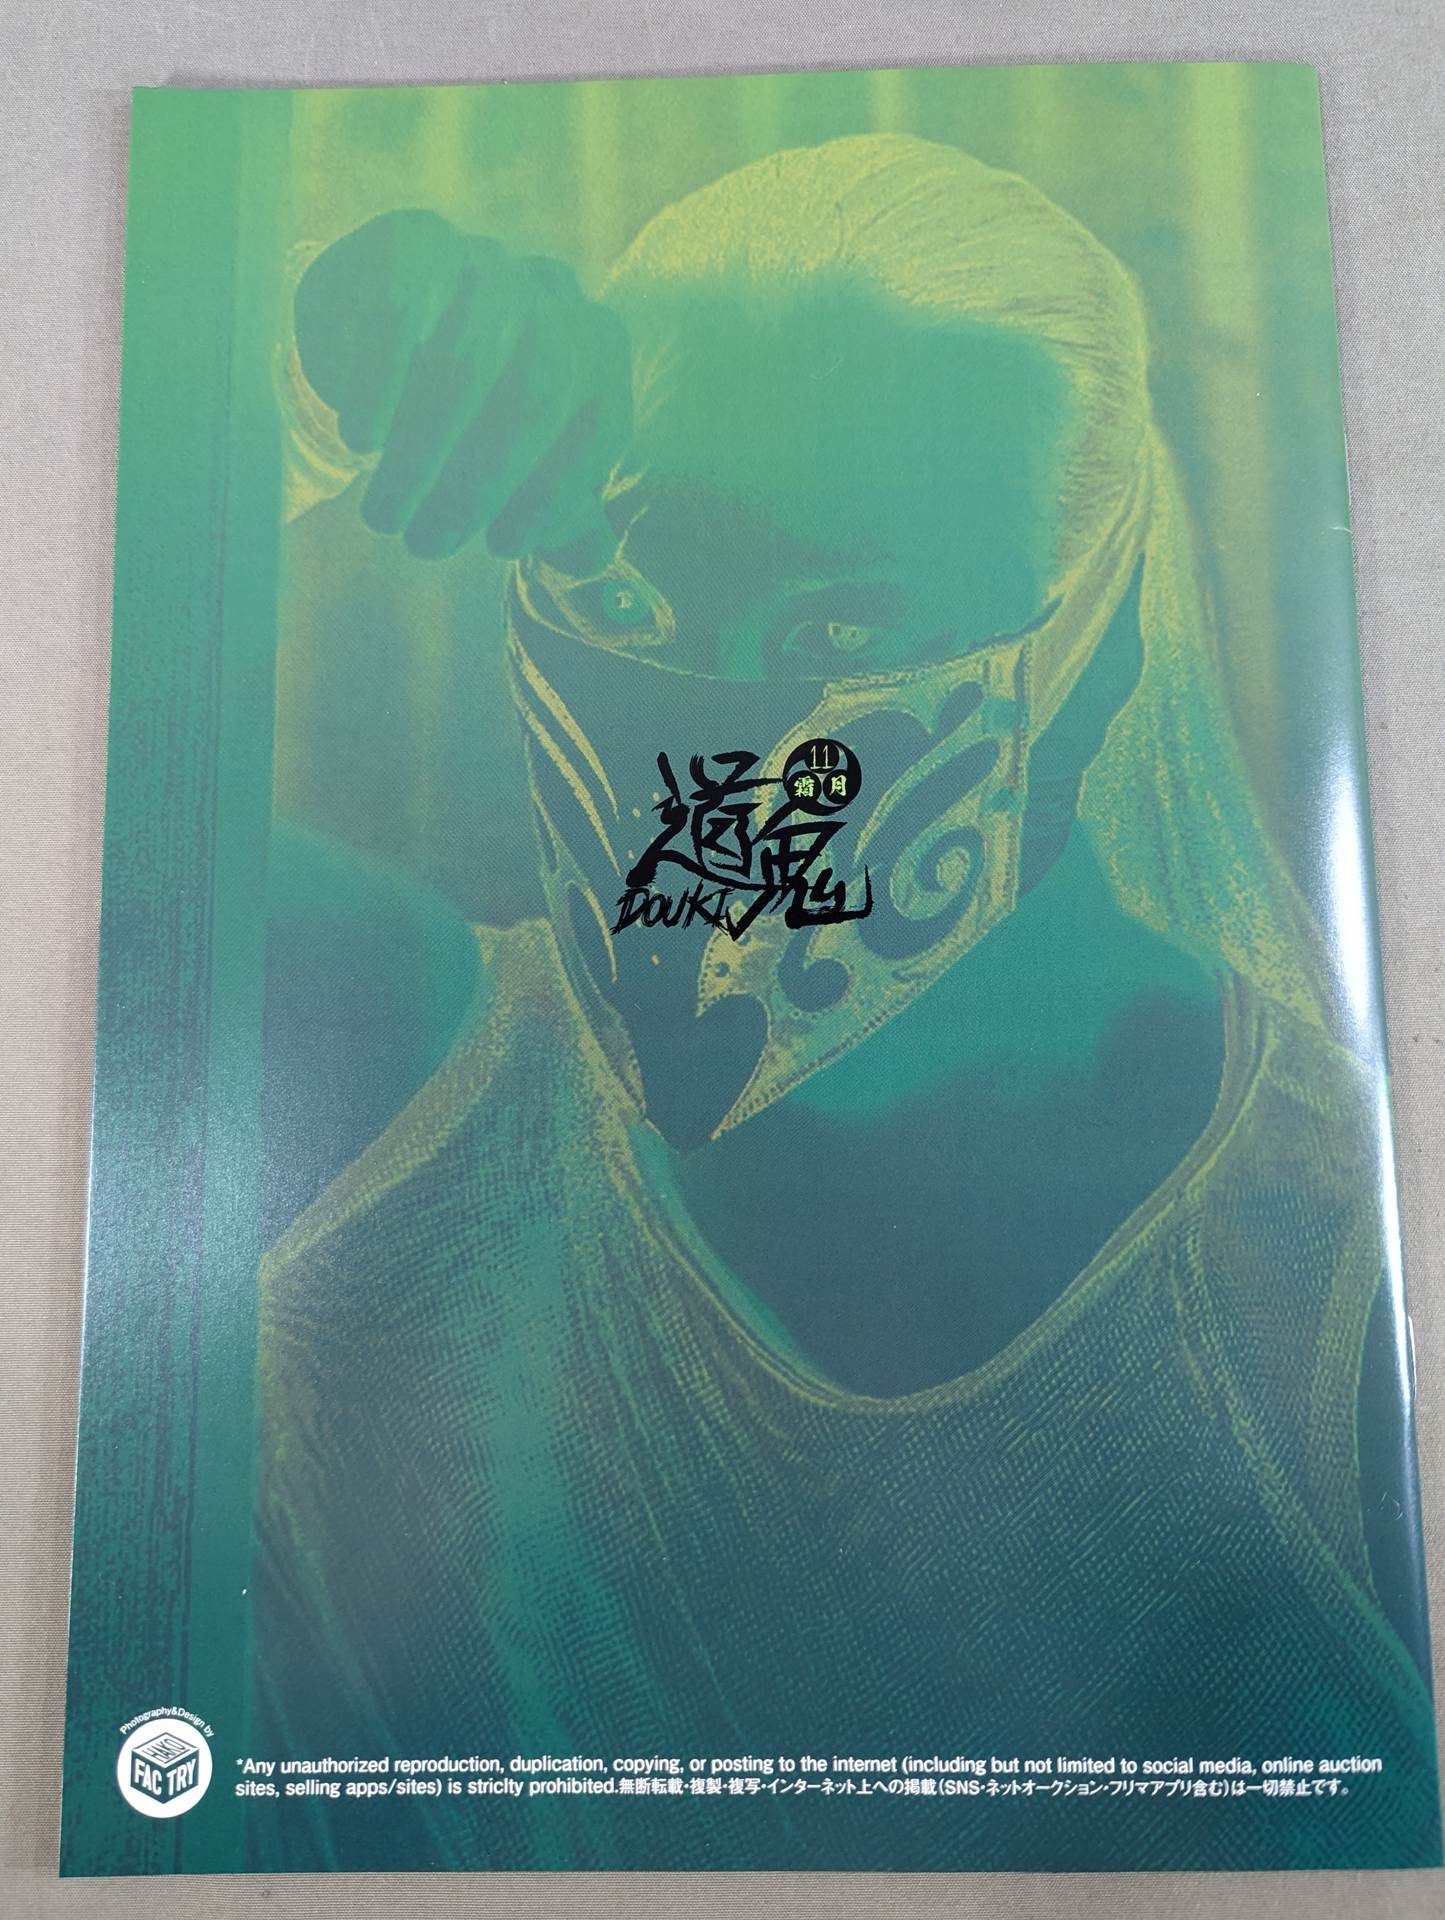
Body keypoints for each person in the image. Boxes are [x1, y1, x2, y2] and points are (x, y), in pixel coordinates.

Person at [251, 134, 1440, 1871]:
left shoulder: (1340, 1258)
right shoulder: (391, 1066)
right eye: (628, 596)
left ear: (1098, 641)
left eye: (845, 629)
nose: (724, 736)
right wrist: (294, 383)